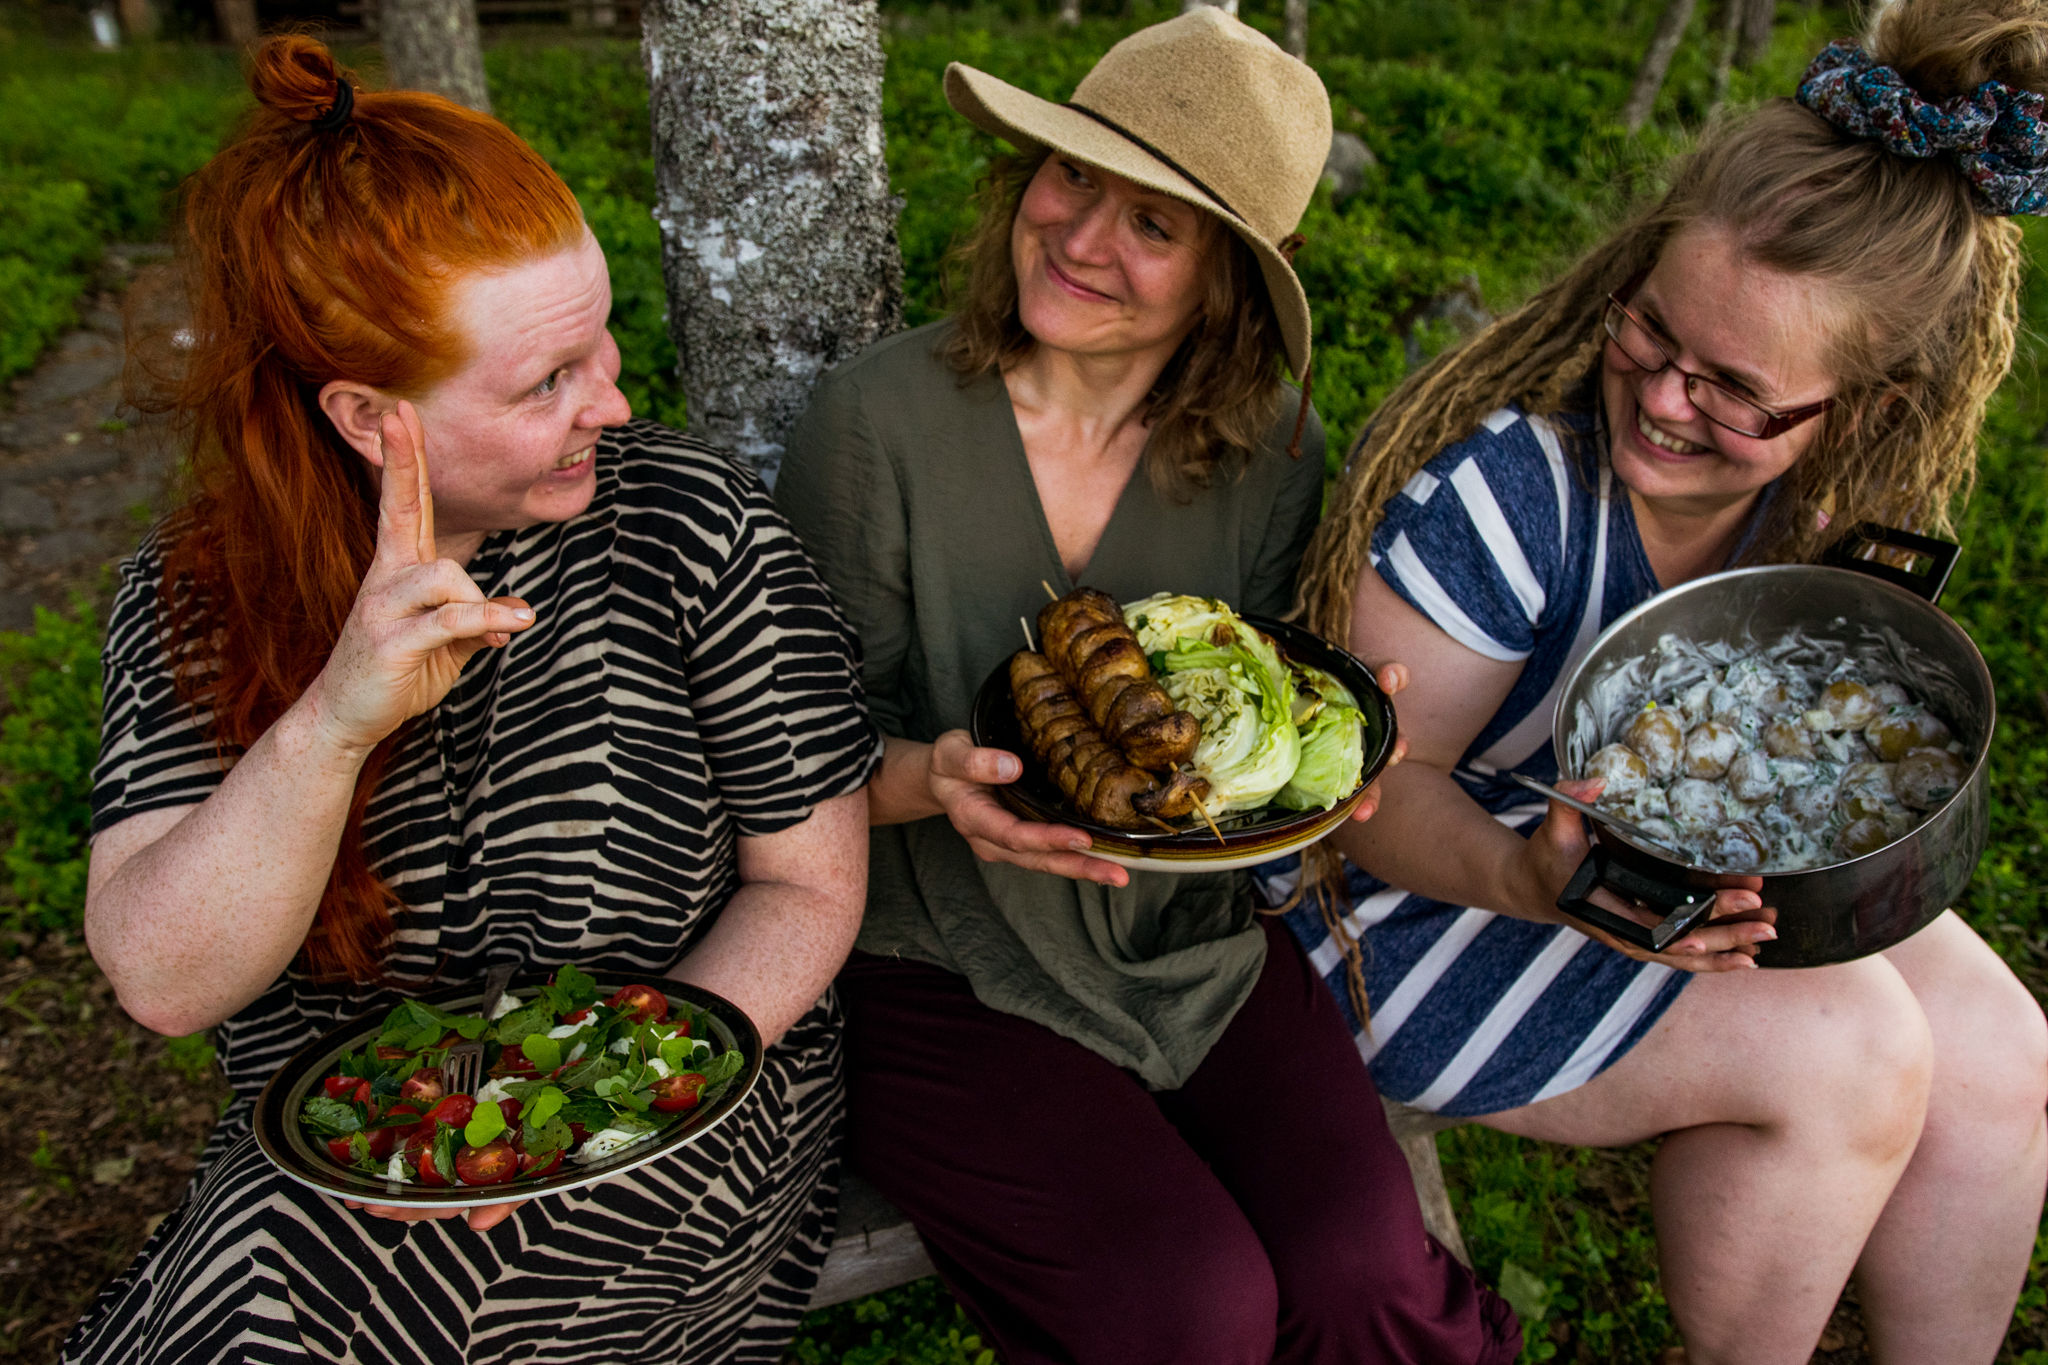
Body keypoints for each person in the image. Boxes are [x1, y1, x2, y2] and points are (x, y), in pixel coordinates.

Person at [62, 37, 878, 1365]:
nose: (611, 400)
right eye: (546, 384)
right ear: (370, 416)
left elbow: (809, 886)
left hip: (681, 1115)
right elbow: (164, 978)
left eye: (600, 343)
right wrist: (332, 720)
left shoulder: (688, 534)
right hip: (343, 1156)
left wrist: (596, 1109)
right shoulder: (197, 595)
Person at [1276, 2, 2048, 1359]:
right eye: (1653, 333)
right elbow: (1370, 792)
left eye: (1737, 391)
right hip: (1397, 906)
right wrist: (1533, 880)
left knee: (2000, 1049)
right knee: (1855, 1051)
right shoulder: (1513, 497)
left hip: (1635, 855)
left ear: (1859, 412)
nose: (1670, 398)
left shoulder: (1820, 505)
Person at [775, 11, 1520, 1364]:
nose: (1082, 238)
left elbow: (1257, 728)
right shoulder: (877, 425)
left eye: (1156, 225)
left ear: (1229, 276)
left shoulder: (1275, 457)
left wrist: (1331, 738)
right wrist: (932, 779)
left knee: (1361, 1272)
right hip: (933, 959)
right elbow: (795, 766)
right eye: (1074, 179)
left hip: (1190, 945)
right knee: (1184, 1308)